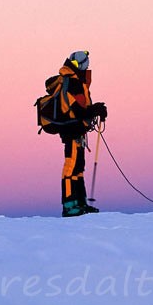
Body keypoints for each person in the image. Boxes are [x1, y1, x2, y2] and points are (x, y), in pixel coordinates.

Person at [57, 51, 107, 217]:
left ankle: (79, 203)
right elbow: (78, 110)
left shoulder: (75, 81)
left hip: (76, 130)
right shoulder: (72, 82)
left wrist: (95, 109)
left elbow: (81, 109)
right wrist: (96, 110)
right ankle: (70, 206)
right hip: (72, 130)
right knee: (71, 167)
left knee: (77, 167)